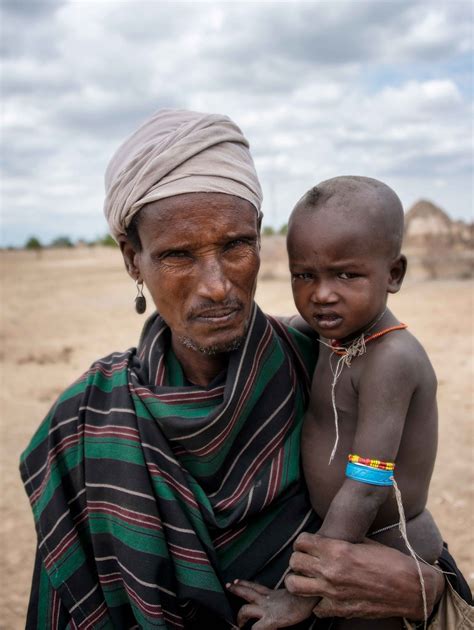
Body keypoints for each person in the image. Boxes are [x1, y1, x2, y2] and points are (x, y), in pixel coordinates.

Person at [20, 112, 470, 629]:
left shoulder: (322, 365)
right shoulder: (88, 421)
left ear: (259, 239)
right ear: (132, 259)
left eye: (234, 246)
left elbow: (416, 557)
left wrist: (420, 590)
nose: (215, 285)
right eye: (178, 255)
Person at [227, 177, 473, 629]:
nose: (322, 294)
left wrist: (302, 593)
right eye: (305, 275)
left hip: (383, 551)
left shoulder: (390, 359)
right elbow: (269, 333)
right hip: (349, 539)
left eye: (347, 274)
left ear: (393, 275)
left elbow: (366, 485)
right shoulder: (331, 333)